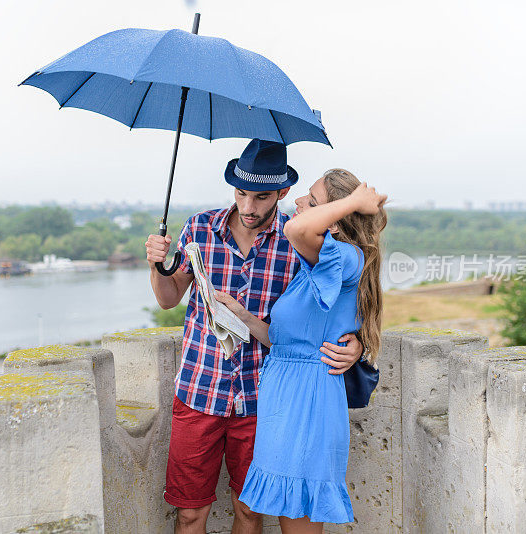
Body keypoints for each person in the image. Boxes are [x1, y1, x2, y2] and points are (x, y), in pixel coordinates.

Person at [145, 140, 366, 534]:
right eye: (241, 193)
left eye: (261, 197)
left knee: (250, 512)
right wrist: (157, 266)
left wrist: (358, 344)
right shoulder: (199, 227)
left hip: (263, 399)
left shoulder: (300, 239)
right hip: (200, 390)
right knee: (189, 513)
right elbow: (167, 299)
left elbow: (329, 307)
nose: (248, 207)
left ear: (282, 194)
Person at [215, 169, 388, 533]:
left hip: (308, 399)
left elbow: (296, 229)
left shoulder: (344, 257)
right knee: (288, 508)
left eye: (311, 201)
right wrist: (241, 314)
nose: (297, 203)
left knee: (298, 511)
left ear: (336, 221)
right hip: (285, 397)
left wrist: (355, 201)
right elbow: (283, 340)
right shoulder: (314, 266)